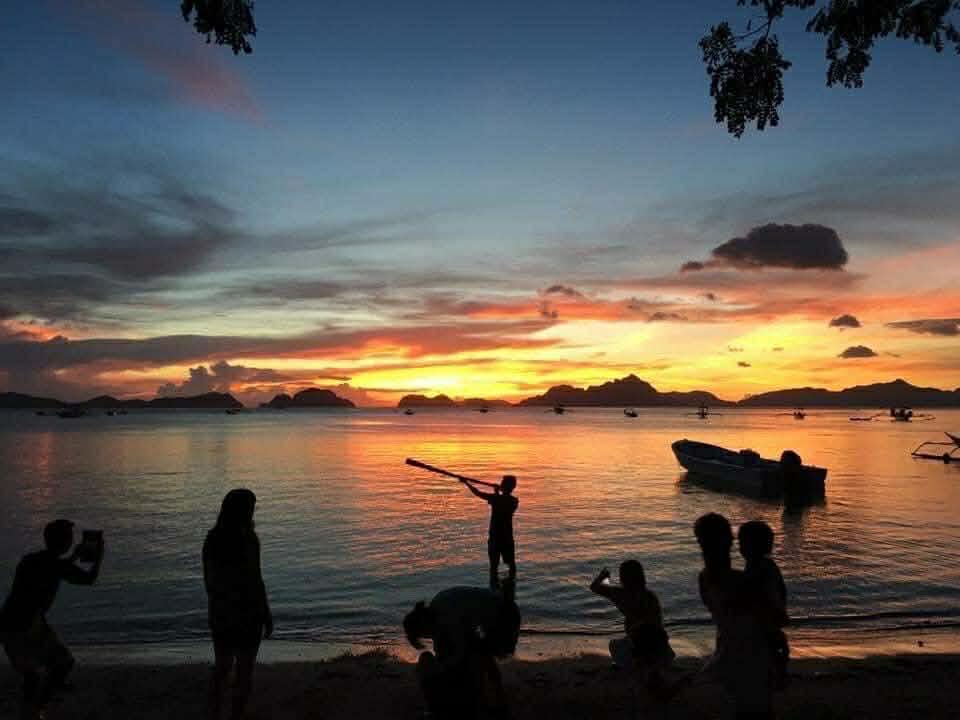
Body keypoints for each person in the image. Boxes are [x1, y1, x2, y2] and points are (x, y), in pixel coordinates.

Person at [0, 519, 104, 718]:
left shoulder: (29, 560)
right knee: (59, 664)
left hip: (11, 622)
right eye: (69, 538)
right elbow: (88, 578)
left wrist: (73, 557)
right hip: (25, 627)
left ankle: (34, 707)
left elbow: (51, 570)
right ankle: (36, 708)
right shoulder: (57, 566)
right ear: (64, 542)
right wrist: (99, 557)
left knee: (34, 673)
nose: (72, 541)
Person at [694, 512, 775, 720]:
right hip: (751, 655)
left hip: (728, 650)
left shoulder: (704, 579)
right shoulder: (746, 581)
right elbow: (773, 618)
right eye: (730, 535)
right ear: (729, 541)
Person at [203, 489, 273, 720]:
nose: (253, 512)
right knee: (234, 671)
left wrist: (265, 613)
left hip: (232, 615)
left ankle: (226, 714)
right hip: (237, 616)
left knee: (232, 671)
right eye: (250, 508)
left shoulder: (218, 539)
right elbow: (252, 580)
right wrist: (263, 612)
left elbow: (255, 579)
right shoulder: (236, 540)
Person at [404, 583, 520, 719]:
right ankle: (490, 699)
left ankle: (492, 702)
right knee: (475, 650)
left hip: (506, 615)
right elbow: (442, 641)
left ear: (423, 625)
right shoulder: (437, 607)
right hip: (494, 610)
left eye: (424, 635)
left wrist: (443, 668)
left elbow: (459, 651)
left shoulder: (449, 618)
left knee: (481, 654)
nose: (428, 636)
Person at [590, 561, 675, 697]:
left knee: (614, 645)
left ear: (622, 577)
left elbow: (595, 587)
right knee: (646, 647)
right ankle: (654, 673)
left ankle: (646, 675)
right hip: (661, 647)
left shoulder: (620, 594)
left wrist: (603, 576)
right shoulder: (650, 596)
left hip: (638, 646)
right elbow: (658, 625)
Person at [738, 521, 789, 689]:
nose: (740, 548)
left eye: (742, 543)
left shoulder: (760, 568)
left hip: (764, 625)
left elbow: (771, 595)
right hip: (766, 624)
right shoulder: (765, 566)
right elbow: (781, 591)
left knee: (764, 664)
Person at [461, 475, 519, 589]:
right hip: (507, 538)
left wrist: (466, 483)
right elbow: (500, 500)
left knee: (494, 567)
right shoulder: (514, 501)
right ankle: (511, 588)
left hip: (495, 538)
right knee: (511, 565)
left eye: (502, 483)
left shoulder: (497, 499)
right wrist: (497, 492)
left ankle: (494, 589)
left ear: (504, 486)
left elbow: (478, 493)